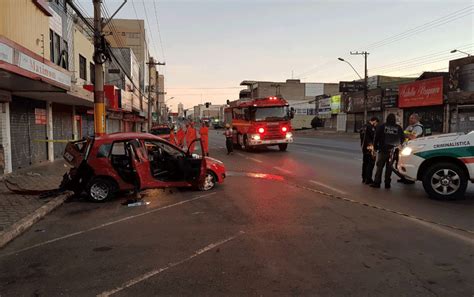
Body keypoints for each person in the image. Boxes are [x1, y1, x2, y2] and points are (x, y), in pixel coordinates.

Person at [371, 113, 404, 189]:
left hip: (382, 150)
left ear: (387, 119)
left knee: (379, 167)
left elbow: (376, 137)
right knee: (389, 168)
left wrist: (375, 147)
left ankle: (377, 183)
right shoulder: (398, 127)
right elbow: (402, 138)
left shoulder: (382, 126)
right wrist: (397, 146)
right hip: (392, 151)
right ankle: (387, 184)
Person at [360, 117, 379, 184]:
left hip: (364, 148)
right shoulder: (371, 127)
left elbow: (362, 137)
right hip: (370, 148)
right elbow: (374, 138)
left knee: (365, 163)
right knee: (370, 164)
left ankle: (364, 178)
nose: (376, 125)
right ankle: (368, 179)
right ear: (374, 121)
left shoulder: (363, 127)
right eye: (376, 123)